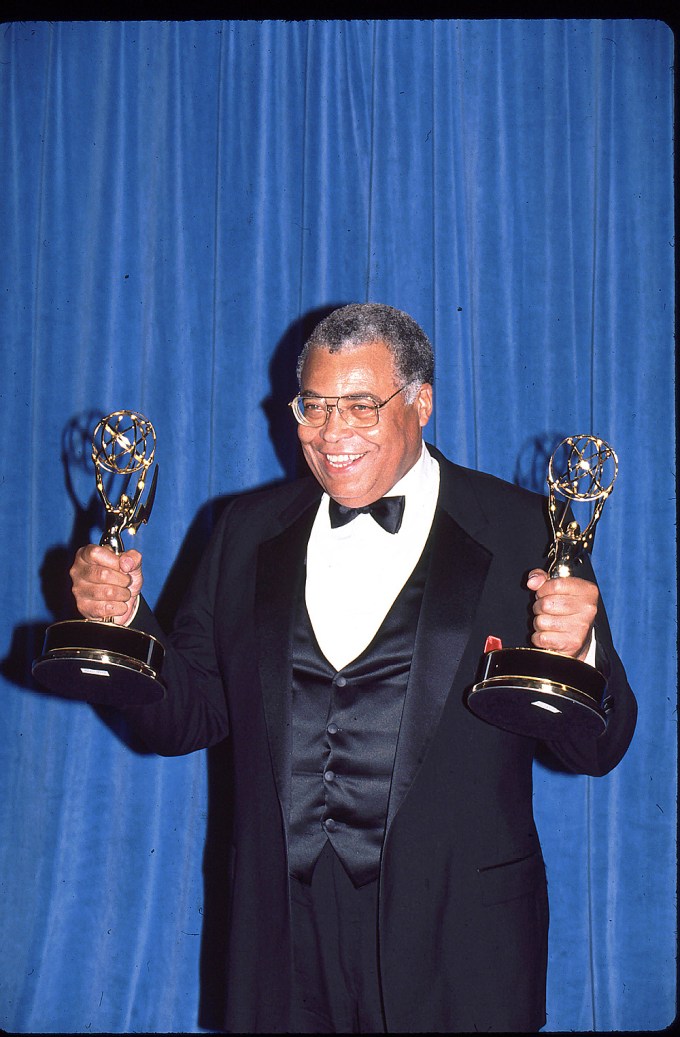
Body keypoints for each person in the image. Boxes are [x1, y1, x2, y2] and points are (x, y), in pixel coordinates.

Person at [70, 303, 636, 1033]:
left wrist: (580, 650)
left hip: (458, 952)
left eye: (361, 406)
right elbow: (186, 719)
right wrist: (119, 623)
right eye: (314, 406)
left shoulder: (527, 529)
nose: (332, 435)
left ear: (422, 401)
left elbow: (596, 748)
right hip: (281, 948)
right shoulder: (243, 529)